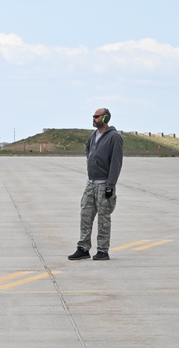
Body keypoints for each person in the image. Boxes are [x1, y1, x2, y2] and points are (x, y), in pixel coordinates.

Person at [69, 107, 123, 261]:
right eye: (93, 116)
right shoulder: (94, 135)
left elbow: (116, 163)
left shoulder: (114, 137)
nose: (93, 119)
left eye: (97, 116)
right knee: (85, 214)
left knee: (103, 218)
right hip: (91, 183)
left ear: (105, 118)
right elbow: (88, 149)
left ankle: (102, 250)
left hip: (104, 184)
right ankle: (83, 248)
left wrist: (110, 185)